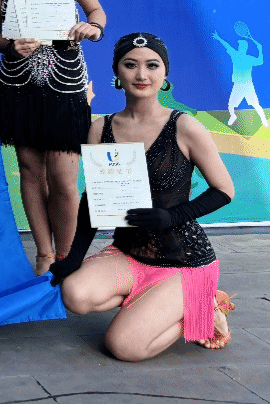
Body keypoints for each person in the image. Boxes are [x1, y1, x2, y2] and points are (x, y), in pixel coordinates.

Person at [49, 33, 235, 361]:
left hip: (183, 261)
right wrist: (74, 256)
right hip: (130, 254)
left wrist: (172, 216)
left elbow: (224, 191)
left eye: (152, 65)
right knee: (75, 294)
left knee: (124, 347)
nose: (141, 74)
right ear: (117, 72)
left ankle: (203, 306)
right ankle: (153, 304)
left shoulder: (184, 126)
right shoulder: (100, 129)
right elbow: (94, 198)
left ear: (165, 73)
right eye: (130, 65)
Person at [0, 0, 106, 275]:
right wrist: (9, 46)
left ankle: (67, 258)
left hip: (65, 81)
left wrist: (93, 28)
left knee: (64, 179)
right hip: (18, 82)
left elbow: (96, 12)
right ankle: (43, 254)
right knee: (29, 171)